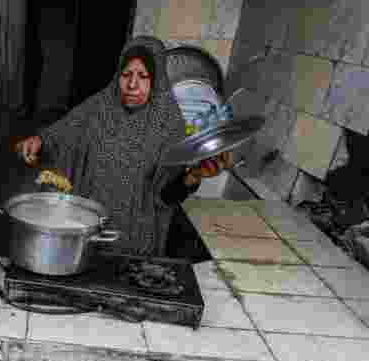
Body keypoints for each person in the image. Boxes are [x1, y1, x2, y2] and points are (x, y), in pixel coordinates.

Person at [14, 35, 233, 256]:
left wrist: (193, 176)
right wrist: (39, 141)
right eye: (126, 74)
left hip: (134, 243)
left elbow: (166, 196)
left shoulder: (169, 124)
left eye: (143, 76)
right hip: (83, 232)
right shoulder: (98, 107)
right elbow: (60, 134)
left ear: (156, 80)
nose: (132, 84)